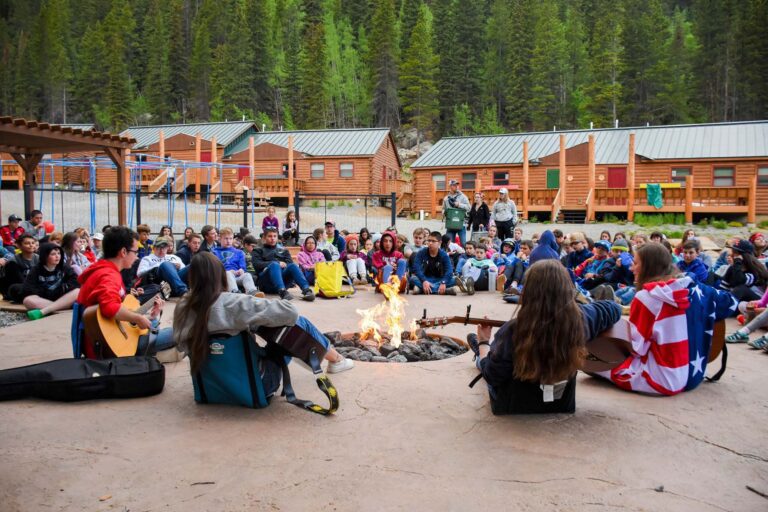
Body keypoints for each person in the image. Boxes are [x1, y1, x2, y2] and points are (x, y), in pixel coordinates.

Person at [471, 260, 621, 414]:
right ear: (566, 289)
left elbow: (492, 375)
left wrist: (483, 341)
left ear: (529, 291)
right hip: (561, 404)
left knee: (487, 358)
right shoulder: (583, 319)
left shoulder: (512, 330)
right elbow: (614, 308)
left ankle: (478, 350)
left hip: (514, 404)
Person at [173, 252, 353, 378]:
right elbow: (290, 312)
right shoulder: (232, 302)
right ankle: (336, 360)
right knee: (296, 323)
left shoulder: (182, 306)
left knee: (252, 324)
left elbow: (181, 346)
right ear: (220, 276)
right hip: (254, 383)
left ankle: (329, 356)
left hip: (210, 382)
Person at [595, 243, 737, 395]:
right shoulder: (698, 289)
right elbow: (732, 302)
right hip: (694, 375)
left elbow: (636, 348)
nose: (631, 268)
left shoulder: (646, 297)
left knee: (594, 362)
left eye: (636, 263)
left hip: (662, 379)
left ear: (649, 267)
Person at [76, 226, 173, 359]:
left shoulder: (102, 270)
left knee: (153, 322)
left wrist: (150, 316)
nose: (137, 256)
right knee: (183, 332)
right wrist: (137, 318)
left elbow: (117, 315)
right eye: (135, 251)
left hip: (106, 341)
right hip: (111, 348)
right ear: (123, 252)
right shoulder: (108, 275)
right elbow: (110, 308)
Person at [252, 226, 315, 301]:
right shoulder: (258, 250)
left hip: (283, 279)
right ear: (264, 237)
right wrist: (277, 263)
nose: (272, 238)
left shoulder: (283, 250)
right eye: (270, 236)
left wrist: (282, 266)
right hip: (266, 283)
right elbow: (257, 264)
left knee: (293, 266)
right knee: (275, 265)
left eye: (275, 236)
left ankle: (306, 290)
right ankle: (282, 292)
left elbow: (289, 263)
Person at [21, 243, 80, 320]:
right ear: (45, 256)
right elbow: (28, 288)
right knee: (27, 300)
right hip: (45, 299)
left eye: (59, 253)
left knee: (77, 291)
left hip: (63, 296)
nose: (57, 256)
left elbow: (75, 281)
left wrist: (63, 289)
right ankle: (61, 308)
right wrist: (45, 292)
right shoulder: (36, 270)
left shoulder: (64, 267)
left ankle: (43, 312)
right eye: (53, 254)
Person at [213, 228, 260, 296]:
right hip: (222, 277)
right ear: (220, 239)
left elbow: (242, 266)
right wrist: (227, 272)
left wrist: (241, 270)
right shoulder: (215, 252)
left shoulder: (239, 252)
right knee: (228, 273)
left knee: (247, 275)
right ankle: (234, 292)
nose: (228, 241)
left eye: (230, 238)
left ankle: (252, 291)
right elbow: (214, 268)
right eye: (226, 238)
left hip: (237, 276)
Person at [1, 234, 40, 302]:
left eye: (33, 243)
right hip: (19, 287)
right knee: (17, 288)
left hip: (33, 286)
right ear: (19, 246)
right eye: (27, 243)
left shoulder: (39, 259)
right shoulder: (13, 262)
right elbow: (19, 281)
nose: (31, 245)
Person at [442, 179, 471, 245]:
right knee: (449, 244)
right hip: (450, 224)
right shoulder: (446, 198)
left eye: (457, 185)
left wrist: (459, 205)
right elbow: (443, 208)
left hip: (461, 224)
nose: (457, 186)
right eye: (454, 185)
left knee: (463, 243)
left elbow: (469, 207)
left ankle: (464, 255)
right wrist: (443, 212)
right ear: (450, 186)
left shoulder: (463, 197)